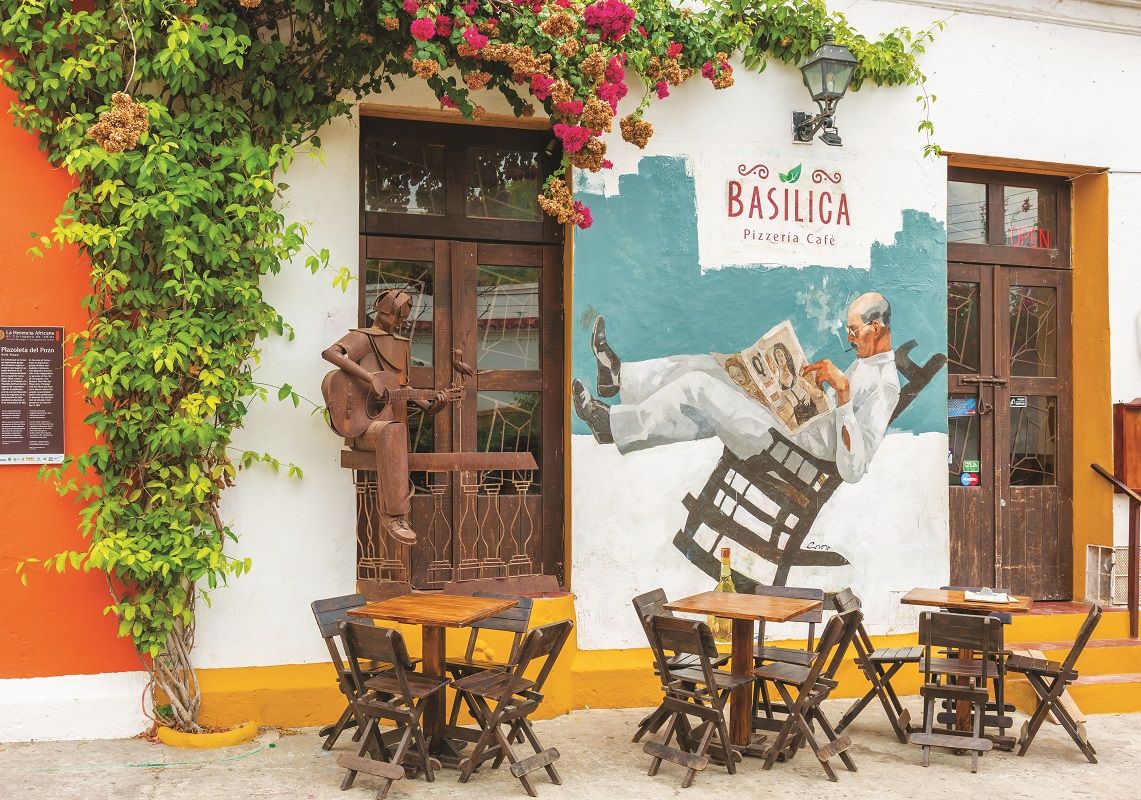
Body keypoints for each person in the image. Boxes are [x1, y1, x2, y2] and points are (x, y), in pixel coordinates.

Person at [573, 292, 900, 484]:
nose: (850, 337)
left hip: (789, 450)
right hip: (787, 426)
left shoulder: (885, 385)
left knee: (699, 388)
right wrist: (807, 389)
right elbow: (835, 418)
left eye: (855, 330)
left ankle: (611, 426)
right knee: (716, 365)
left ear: (877, 326)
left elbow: (854, 468)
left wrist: (841, 394)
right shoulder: (866, 362)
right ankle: (619, 378)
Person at [322, 289, 449, 544]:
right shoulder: (365, 338)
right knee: (391, 430)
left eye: (405, 318)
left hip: (391, 424)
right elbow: (331, 353)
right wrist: (370, 379)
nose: (401, 322)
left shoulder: (401, 344)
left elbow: (400, 389)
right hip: (363, 425)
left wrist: (429, 405)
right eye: (398, 316)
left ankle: (396, 508)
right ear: (384, 310)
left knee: (394, 429)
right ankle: (395, 516)